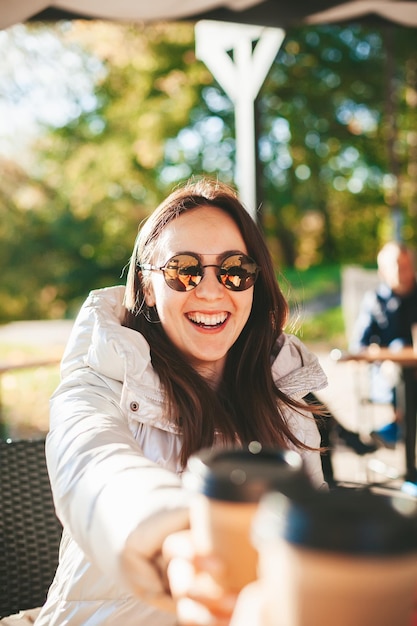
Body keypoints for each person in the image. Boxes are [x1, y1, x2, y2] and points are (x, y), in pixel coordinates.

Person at [33, 178, 328, 626]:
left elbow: (316, 532)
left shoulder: (283, 394)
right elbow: (92, 466)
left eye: (235, 269)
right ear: (149, 286)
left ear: (254, 283)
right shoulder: (98, 384)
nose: (211, 291)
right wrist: (174, 538)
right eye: (183, 269)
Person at [350, 241, 417, 449]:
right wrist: (382, 355)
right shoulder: (375, 301)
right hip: (387, 378)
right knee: (399, 367)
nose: (400, 271)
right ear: (382, 271)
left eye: (404, 265)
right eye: (394, 266)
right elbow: (359, 346)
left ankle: (396, 429)